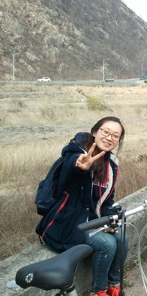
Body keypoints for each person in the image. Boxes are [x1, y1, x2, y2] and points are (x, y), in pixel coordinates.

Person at [35, 116, 128, 296]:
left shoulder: (111, 165)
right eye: (105, 132)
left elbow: (107, 201)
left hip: (91, 222)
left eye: (115, 136)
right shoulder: (76, 153)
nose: (109, 138)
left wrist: (108, 221)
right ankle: (98, 291)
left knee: (122, 236)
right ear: (95, 132)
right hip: (66, 224)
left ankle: (113, 285)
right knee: (107, 244)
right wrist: (80, 166)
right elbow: (73, 166)